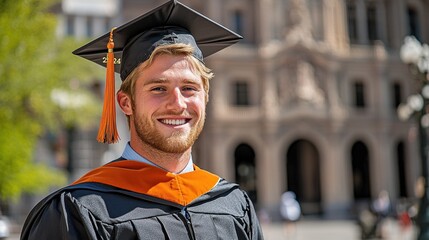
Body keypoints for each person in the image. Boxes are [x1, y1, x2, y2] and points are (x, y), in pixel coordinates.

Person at [20, 1, 263, 239]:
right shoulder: (78, 212)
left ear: (206, 97)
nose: (178, 104)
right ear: (126, 102)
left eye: (189, 88)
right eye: (158, 88)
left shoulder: (233, 205)